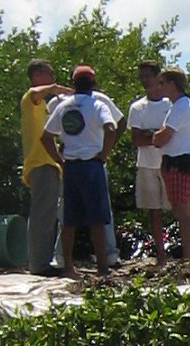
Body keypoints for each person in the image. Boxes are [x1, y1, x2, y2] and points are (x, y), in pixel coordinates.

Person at [41, 65, 119, 279]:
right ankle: (103, 269)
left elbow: (46, 137)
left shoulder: (63, 106)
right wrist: (103, 155)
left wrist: (60, 159)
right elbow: (111, 129)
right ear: (93, 84)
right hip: (92, 165)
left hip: (72, 166)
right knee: (97, 220)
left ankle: (68, 267)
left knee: (69, 221)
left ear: (73, 83)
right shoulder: (98, 105)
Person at [151, 67, 190, 266]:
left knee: (182, 211)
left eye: (162, 82)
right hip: (172, 162)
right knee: (179, 209)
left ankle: (189, 259)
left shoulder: (182, 106)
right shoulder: (175, 106)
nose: (158, 86)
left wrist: (155, 135)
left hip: (179, 162)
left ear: (173, 84)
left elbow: (162, 137)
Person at [20, 59, 65, 276]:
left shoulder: (43, 107)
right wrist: (56, 89)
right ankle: (39, 265)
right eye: (49, 73)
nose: (52, 78)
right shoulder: (30, 98)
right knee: (42, 216)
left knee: (48, 216)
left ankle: (42, 262)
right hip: (40, 163)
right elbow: (37, 93)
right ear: (37, 75)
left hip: (49, 164)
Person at [126, 61, 171, 261]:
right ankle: (161, 255)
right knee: (154, 211)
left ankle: (188, 255)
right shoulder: (137, 107)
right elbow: (136, 139)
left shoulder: (171, 104)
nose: (145, 80)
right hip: (146, 164)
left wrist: (151, 134)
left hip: (169, 162)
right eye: (142, 76)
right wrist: (157, 134)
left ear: (157, 76)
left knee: (178, 207)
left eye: (148, 75)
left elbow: (172, 135)